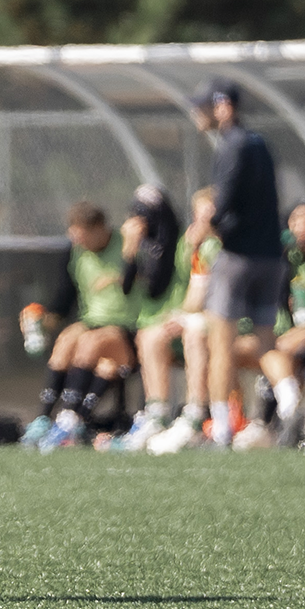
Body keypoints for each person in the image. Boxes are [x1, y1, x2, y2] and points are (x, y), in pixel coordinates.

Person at [188, 77, 283, 449]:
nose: (197, 113)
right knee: (266, 342)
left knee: (220, 344)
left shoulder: (231, 144)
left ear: (223, 106)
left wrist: (200, 230)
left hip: (238, 257)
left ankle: (222, 429)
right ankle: (289, 405)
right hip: (271, 258)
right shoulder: (261, 144)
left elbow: (223, 201)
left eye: (203, 106)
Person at [19, 202, 141, 451]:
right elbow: (64, 300)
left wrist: (121, 276)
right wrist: (40, 322)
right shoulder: (76, 252)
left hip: (130, 329)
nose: (77, 239)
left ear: (99, 229)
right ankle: (45, 418)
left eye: (83, 233)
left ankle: (70, 419)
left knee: (91, 343)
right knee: (67, 339)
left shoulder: (127, 244)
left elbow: (149, 276)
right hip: (93, 325)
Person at [236, 199, 305, 448]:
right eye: (296, 220)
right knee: (241, 351)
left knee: (287, 351)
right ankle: (269, 421)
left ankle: (283, 419)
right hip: (287, 337)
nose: (302, 227)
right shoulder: (283, 258)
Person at [143, 189, 223, 454]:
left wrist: (185, 316)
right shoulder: (194, 245)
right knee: (151, 335)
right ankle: (157, 412)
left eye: (209, 210)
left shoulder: (224, 245)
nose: (202, 218)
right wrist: (180, 315)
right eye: (199, 211)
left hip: (227, 321)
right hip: (201, 316)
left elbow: (204, 298)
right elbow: (192, 294)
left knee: (194, 334)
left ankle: (195, 412)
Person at [107, 186, 186, 451]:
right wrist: (129, 250)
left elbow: (156, 285)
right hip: (148, 324)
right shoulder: (142, 246)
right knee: (144, 338)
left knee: (150, 338)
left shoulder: (180, 243)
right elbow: (127, 287)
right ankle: (152, 412)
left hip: (177, 322)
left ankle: (160, 412)